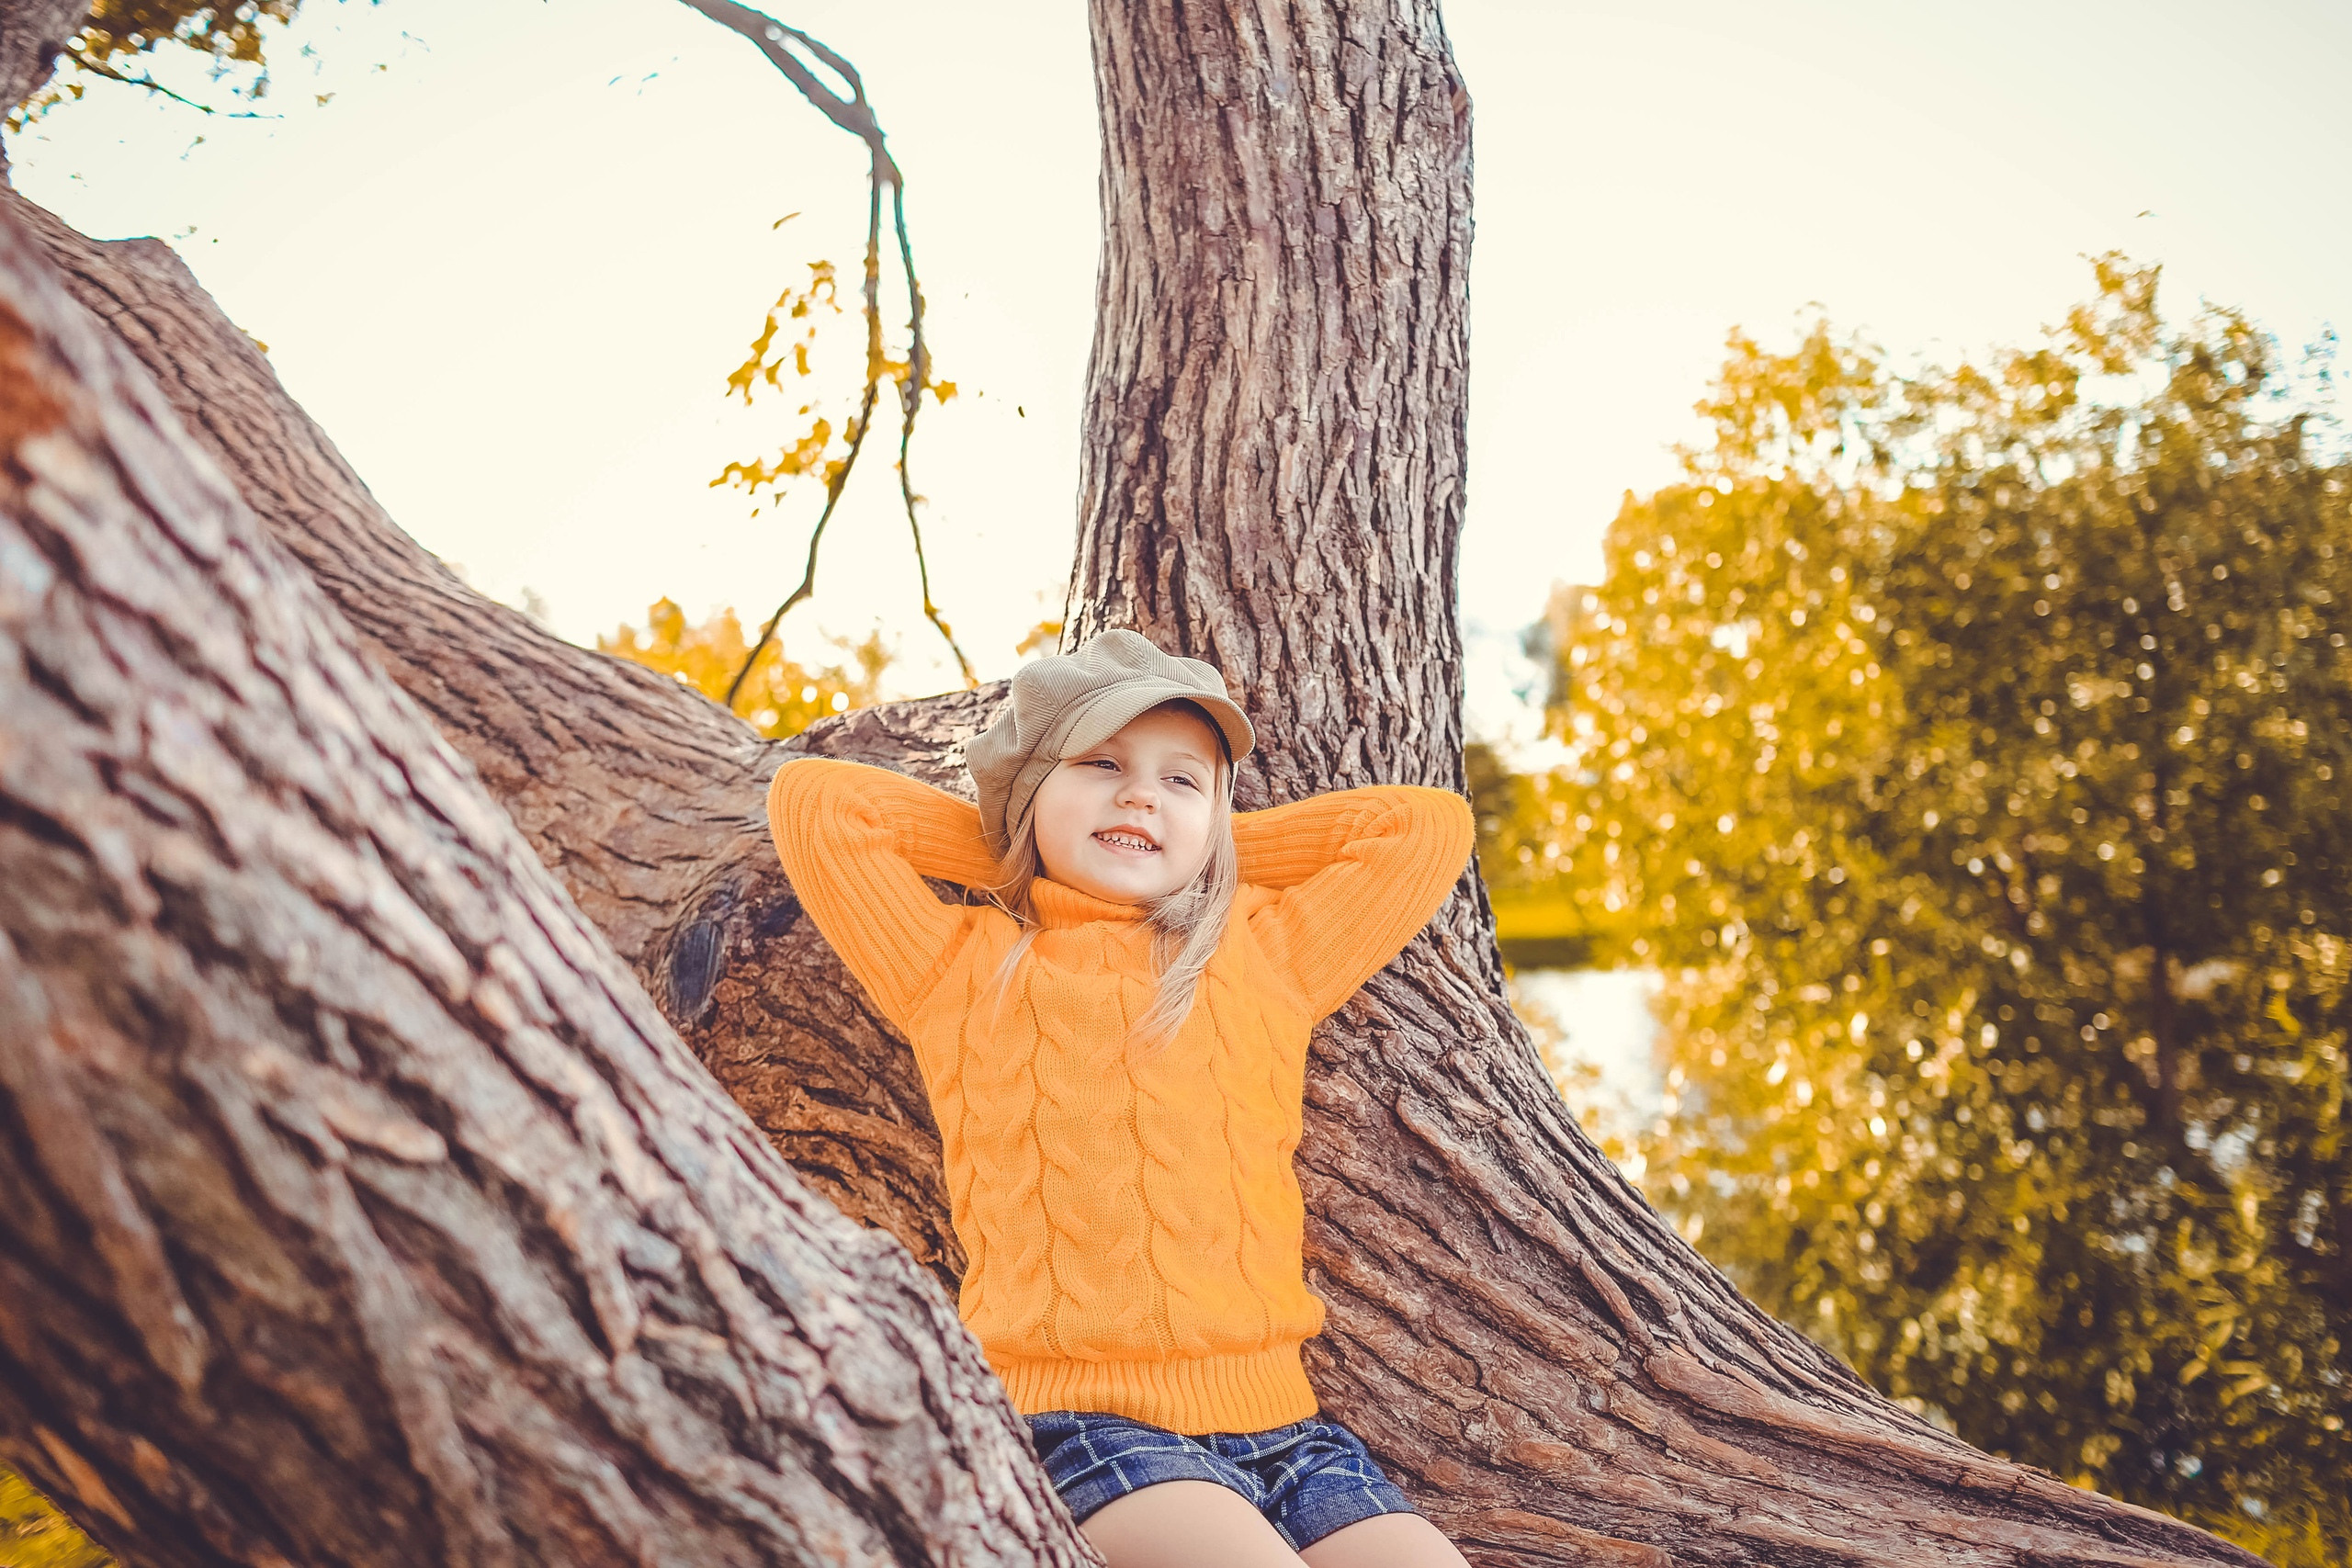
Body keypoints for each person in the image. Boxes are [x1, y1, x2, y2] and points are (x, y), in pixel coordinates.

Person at [767, 628, 1476, 1568]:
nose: (1140, 793)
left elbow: (1424, 828)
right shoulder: (961, 968)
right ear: (1032, 791)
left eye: (1182, 779)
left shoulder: (1261, 954)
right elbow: (818, 803)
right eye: (1101, 764)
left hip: (1291, 1434)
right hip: (1085, 1427)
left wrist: (1207, 848)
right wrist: (1021, 837)